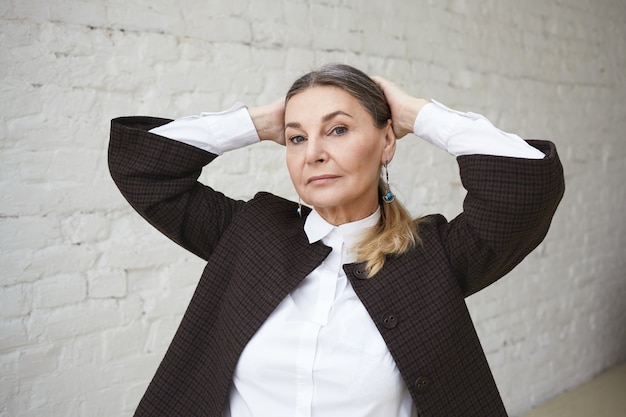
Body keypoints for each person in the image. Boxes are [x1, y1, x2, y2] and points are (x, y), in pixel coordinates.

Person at [108, 64, 564, 417]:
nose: (314, 153)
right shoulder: (249, 234)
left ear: (387, 142)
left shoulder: (431, 256)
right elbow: (142, 167)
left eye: (338, 129)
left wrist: (415, 113)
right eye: (297, 138)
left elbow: (525, 187)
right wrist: (261, 121)